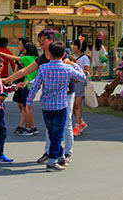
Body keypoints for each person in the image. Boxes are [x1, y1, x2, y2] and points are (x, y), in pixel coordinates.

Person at [4, 29, 75, 164]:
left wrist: (74, 67)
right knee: (50, 125)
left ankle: (67, 152)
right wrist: (7, 79)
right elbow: (25, 70)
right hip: (50, 95)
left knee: (65, 123)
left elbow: (73, 67)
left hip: (66, 93)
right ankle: (49, 151)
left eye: (44, 38)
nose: (41, 41)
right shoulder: (42, 58)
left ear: (51, 40)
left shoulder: (61, 54)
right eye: (39, 38)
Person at [26, 42, 86, 172]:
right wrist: (74, 64)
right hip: (60, 105)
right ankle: (52, 162)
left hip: (46, 106)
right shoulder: (67, 69)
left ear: (50, 54)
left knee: (53, 132)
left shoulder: (43, 68)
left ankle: (60, 157)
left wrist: (29, 102)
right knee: (57, 134)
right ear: (63, 54)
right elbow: (82, 77)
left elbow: (35, 86)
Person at [4, 39, 39, 135]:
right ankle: (32, 126)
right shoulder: (35, 58)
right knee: (27, 106)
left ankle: (28, 128)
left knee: (26, 107)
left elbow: (14, 58)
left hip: (27, 85)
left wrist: (3, 53)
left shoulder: (27, 58)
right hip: (31, 84)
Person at [71, 39, 91, 136]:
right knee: (72, 105)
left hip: (80, 82)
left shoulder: (84, 58)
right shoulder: (73, 57)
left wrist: (77, 70)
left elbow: (87, 71)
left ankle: (77, 125)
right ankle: (81, 122)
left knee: (77, 104)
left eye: (75, 45)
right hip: (72, 82)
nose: (73, 47)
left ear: (79, 47)